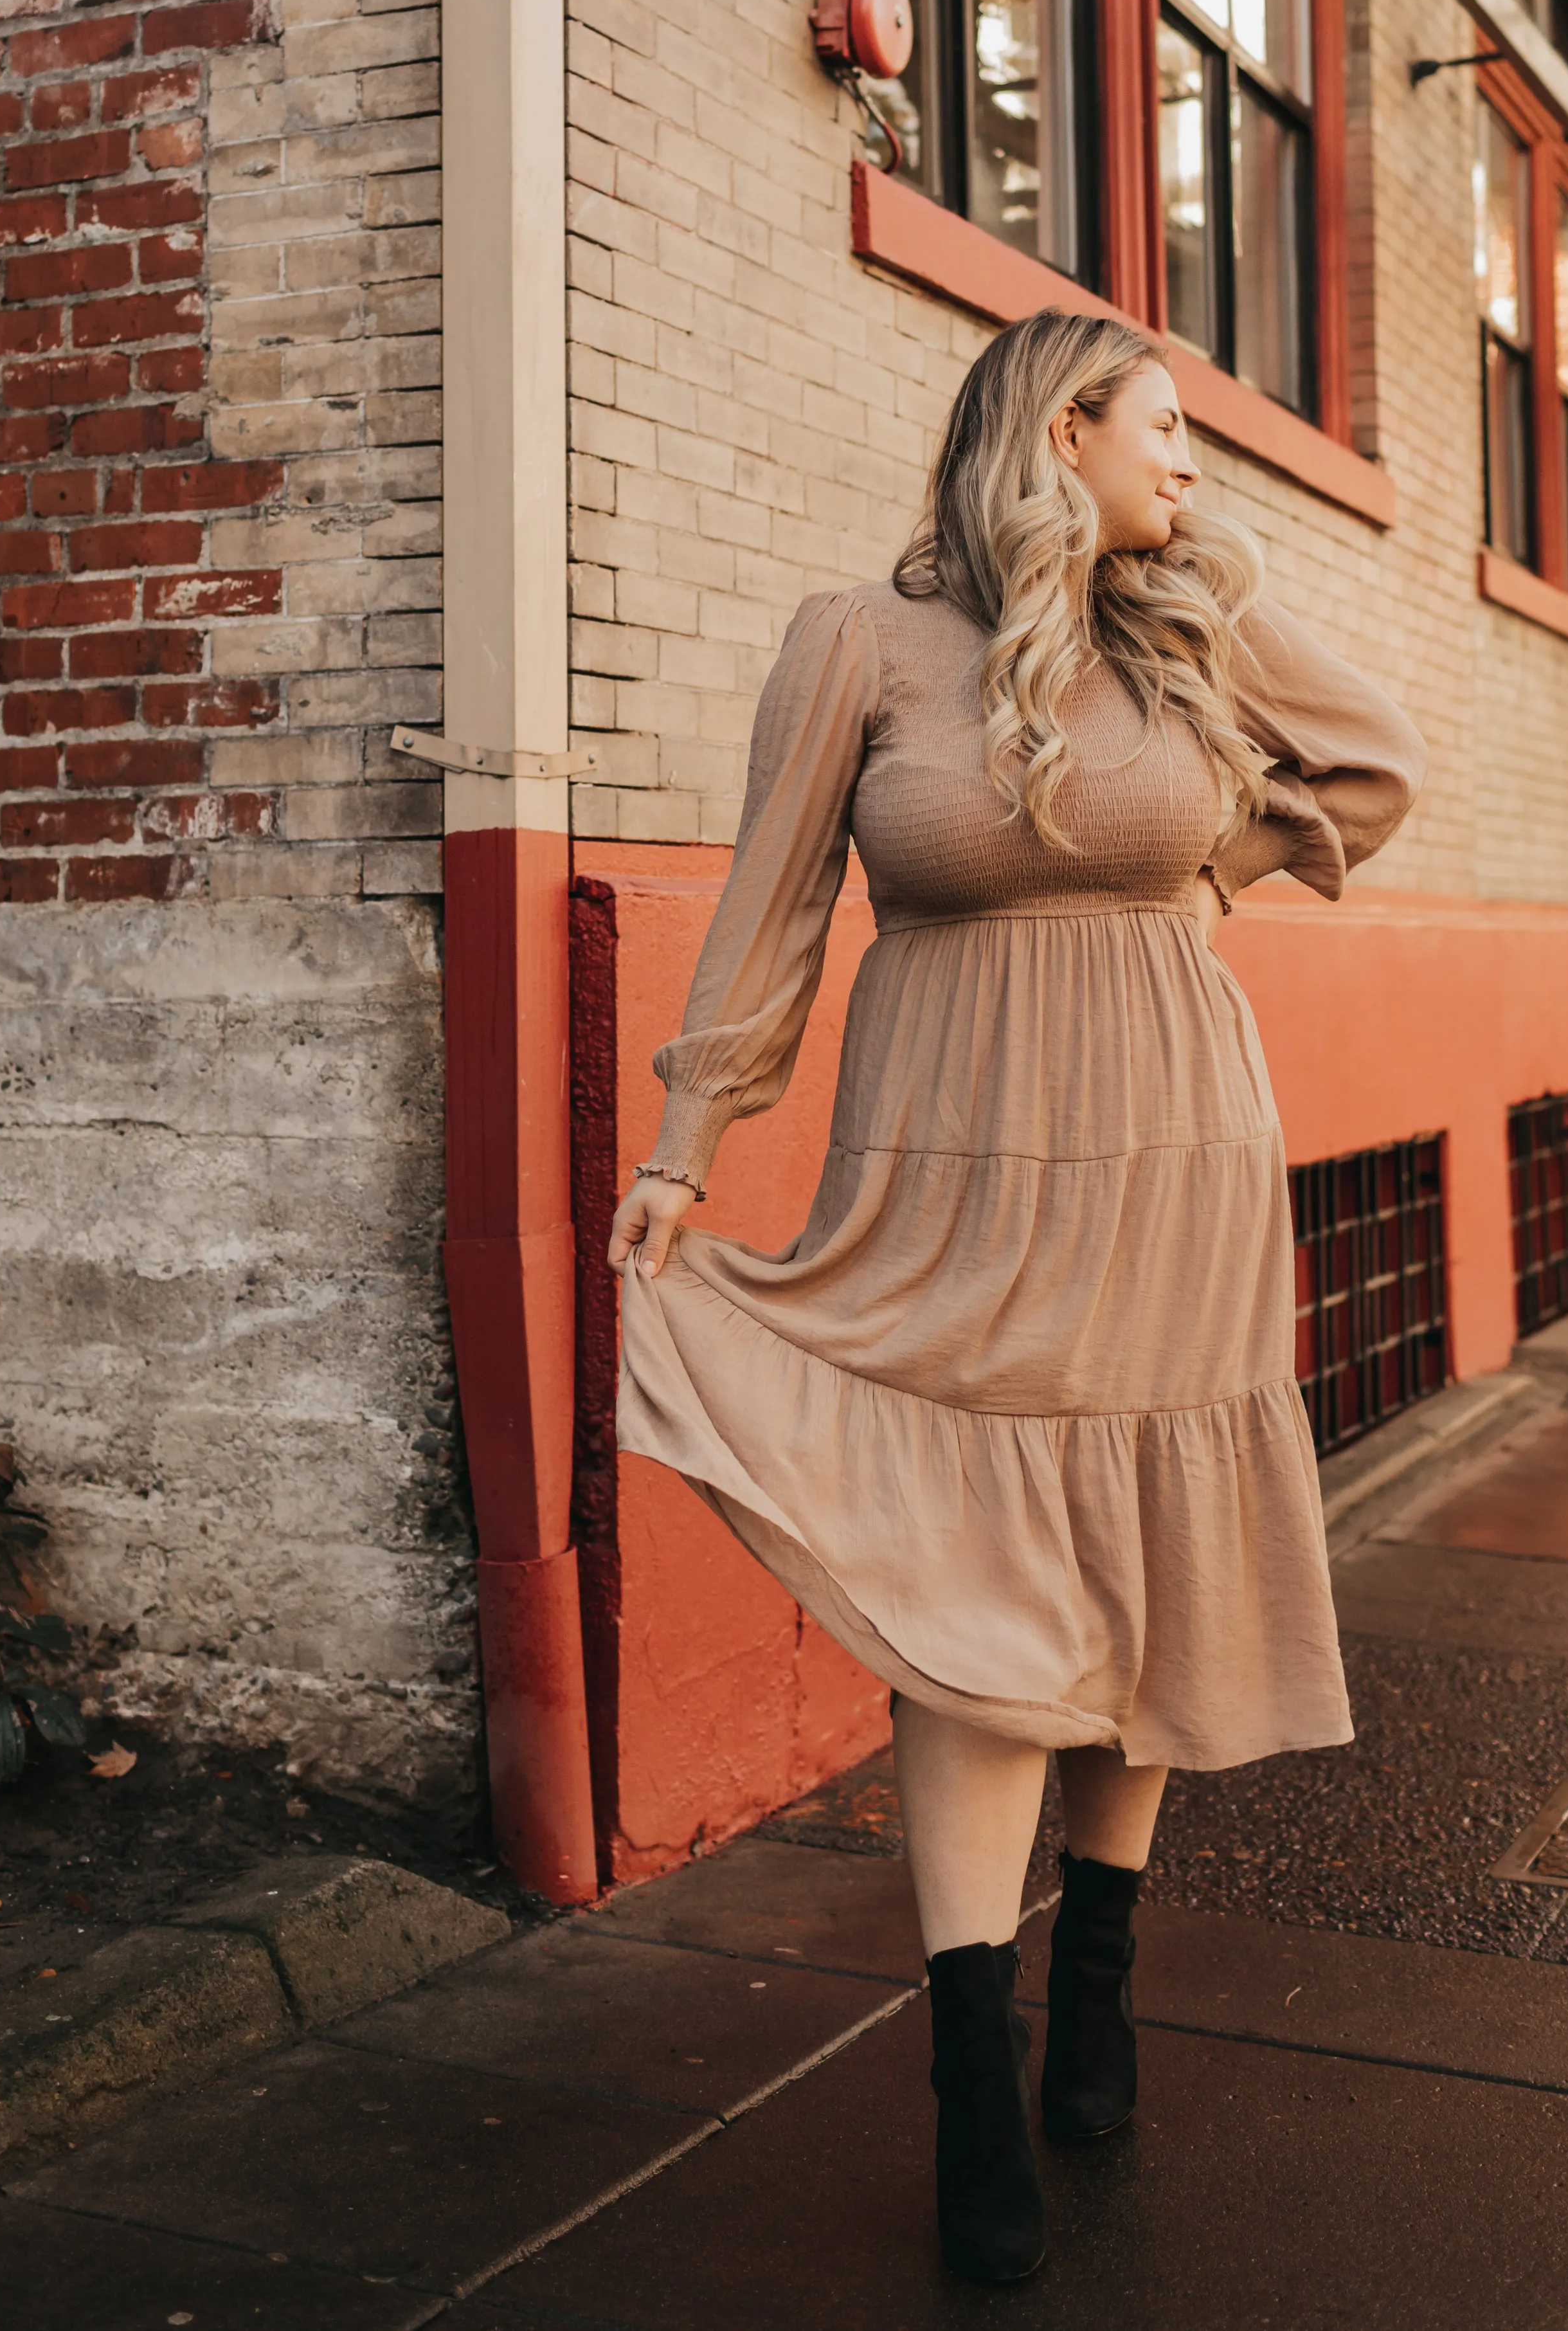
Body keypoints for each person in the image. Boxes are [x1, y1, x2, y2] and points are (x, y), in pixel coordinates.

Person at [609, 309, 1425, 2283]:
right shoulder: (860, 644)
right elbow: (776, 908)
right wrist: (686, 1143)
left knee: (1146, 1558)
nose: (1195, 467)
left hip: (1172, 1165)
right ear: (1062, 430)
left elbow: (1375, 763)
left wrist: (1208, 640)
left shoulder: (1180, 632)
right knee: (977, 1608)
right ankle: (974, 2054)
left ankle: (1106, 1976)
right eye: (1168, 433)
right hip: (946, 1178)